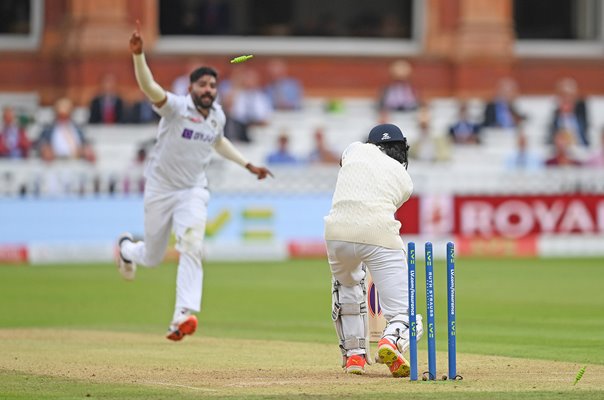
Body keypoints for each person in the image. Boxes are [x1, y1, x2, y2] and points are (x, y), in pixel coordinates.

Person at [116, 22, 273, 342]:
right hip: (160, 188)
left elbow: (219, 143)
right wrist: (138, 56)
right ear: (190, 88)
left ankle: (181, 316)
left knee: (191, 246)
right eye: (202, 85)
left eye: (212, 86)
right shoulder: (175, 108)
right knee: (153, 257)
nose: (208, 90)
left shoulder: (217, 116)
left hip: (192, 190)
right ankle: (126, 249)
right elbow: (149, 88)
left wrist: (247, 165)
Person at [324, 123, 423, 376]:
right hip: (378, 234)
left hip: (337, 233)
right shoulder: (405, 180)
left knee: (346, 287)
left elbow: (343, 164)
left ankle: (354, 356)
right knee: (403, 313)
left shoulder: (354, 149)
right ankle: (390, 341)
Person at [37, 97, 96, 163]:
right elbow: (40, 143)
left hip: (76, 161)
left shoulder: (78, 129)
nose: (63, 119)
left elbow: (85, 143)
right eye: (61, 116)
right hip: (55, 162)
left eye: (66, 116)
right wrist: (44, 148)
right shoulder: (48, 130)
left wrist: (86, 149)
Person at [548, 78, 589, 147]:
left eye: (570, 96)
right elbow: (551, 138)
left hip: (580, 149)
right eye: (564, 96)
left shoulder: (581, 115)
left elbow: (585, 136)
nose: (567, 99)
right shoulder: (555, 117)